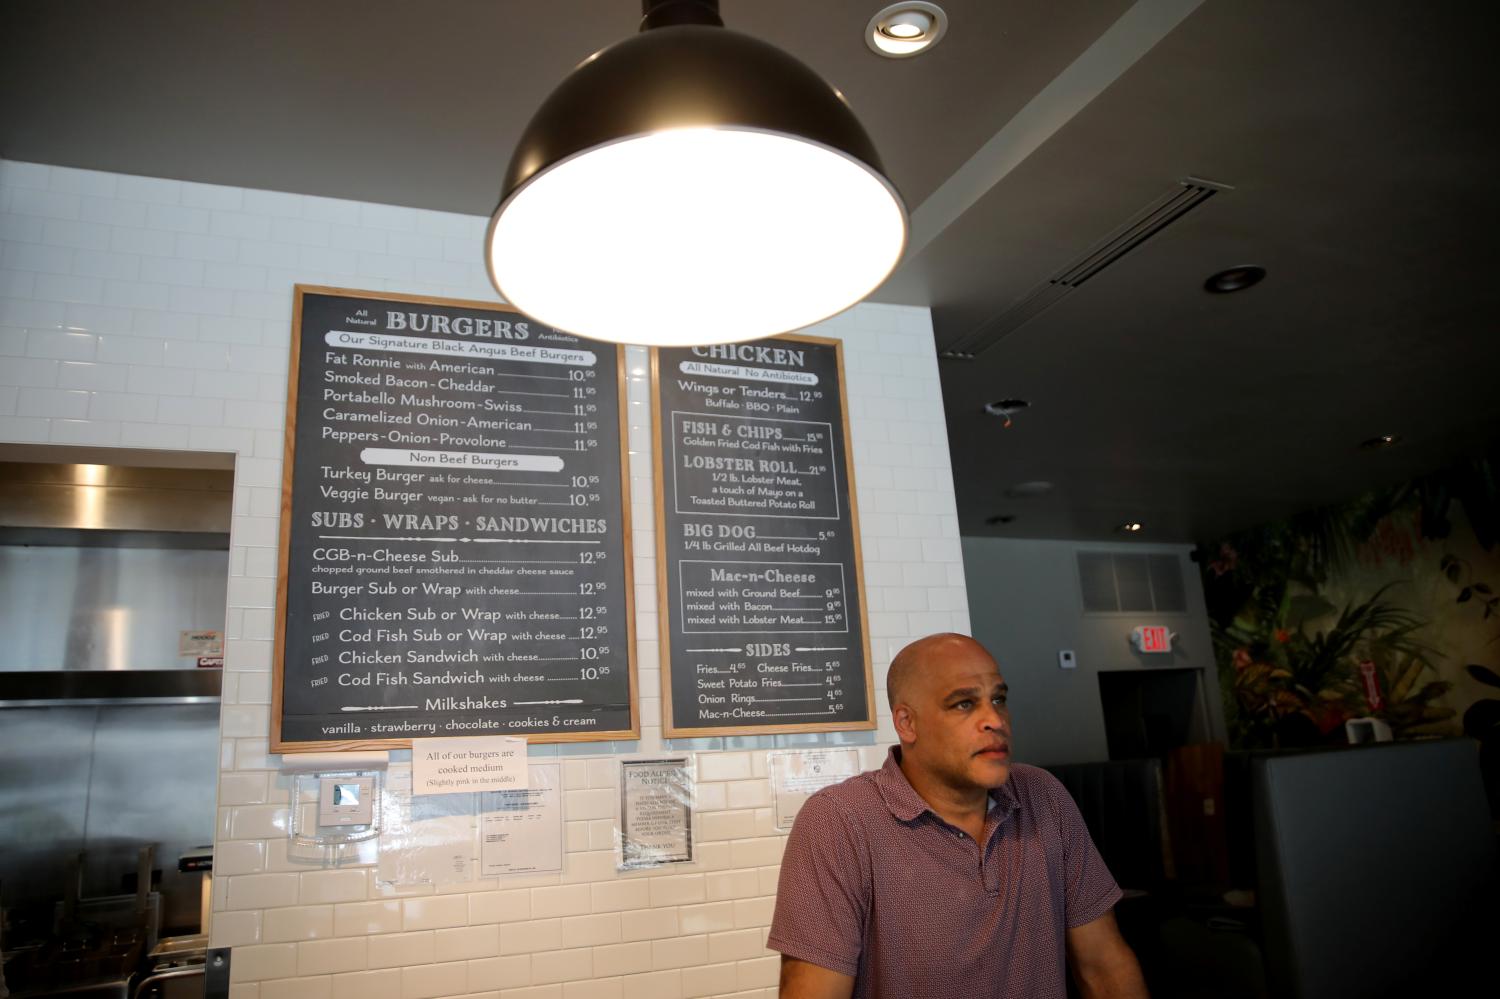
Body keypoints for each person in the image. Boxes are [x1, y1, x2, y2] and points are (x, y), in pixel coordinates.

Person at [768, 633, 1148, 998]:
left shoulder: (1043, 795)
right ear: (907, 723)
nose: (995, 720)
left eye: (998, 699)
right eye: (964, 704)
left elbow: (1103, 965)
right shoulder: (839, 821)